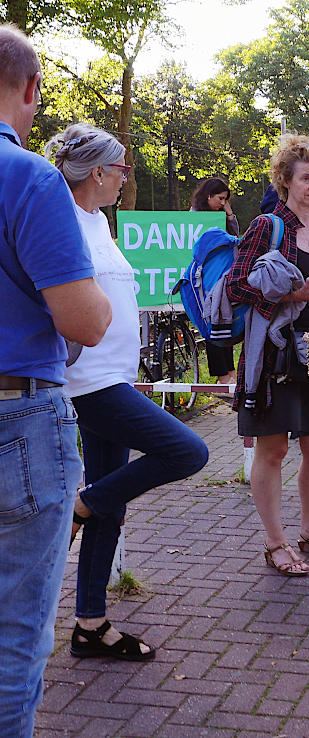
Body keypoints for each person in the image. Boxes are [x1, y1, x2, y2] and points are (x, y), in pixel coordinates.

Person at [46, 123, 209, 661]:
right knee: (188, 450)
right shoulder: (62, 220)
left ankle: (90, 625)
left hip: (111, 376)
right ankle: (79, 506)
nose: (125, 178)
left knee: (111, 502)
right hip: (89, 383)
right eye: (120, 169)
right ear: (97, 173)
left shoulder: (97, 220)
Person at [0, 25, 112, 736]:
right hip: (18, 419)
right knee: (13, 629)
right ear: (32, 89)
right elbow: (85, 321)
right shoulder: (30, 178)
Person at [226, 133, 309, 576]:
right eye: (306, 178)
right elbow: (236, 285)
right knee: (273, 449)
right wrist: (290, 295)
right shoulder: (268, 227)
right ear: (285, 180)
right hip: (275, 356)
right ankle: (275, 542)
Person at [191, 177, 239, 386]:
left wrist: (228, 214)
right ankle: (222, 376)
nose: (222, 203)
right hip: (205, 281)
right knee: (212, 324)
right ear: (208, 196)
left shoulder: (220, 218)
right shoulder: (193, 218)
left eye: (225, 199)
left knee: (224, 322)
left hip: (219, 278)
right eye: (220, 198)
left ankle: (229, 372)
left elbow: (234, 236)